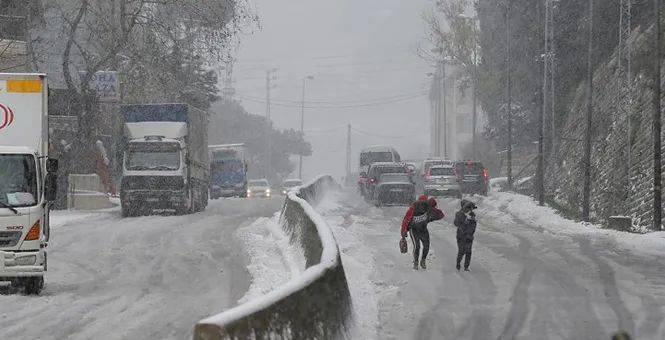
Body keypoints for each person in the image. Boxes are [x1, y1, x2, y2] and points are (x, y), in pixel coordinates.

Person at [401, 195, 445, 270]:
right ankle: (416, 262)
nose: (422, 205)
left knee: (426, 245)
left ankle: (423, 260)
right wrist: (403, 231)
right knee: (417, 246)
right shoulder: (413, 208)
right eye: (421, 203)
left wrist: (433, 208)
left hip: (423, 229)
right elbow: (406, 219)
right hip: (414, 229)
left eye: (424, 203)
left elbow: (441, 215)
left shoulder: (428, 208)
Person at [454, 199, 477, 271]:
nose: (468, 209)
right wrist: (464, 221)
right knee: (461, 251)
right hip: (461, 236)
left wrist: (471, 221)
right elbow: (456, 223)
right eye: (467, 207)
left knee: (468, 252)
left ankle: (466, 267)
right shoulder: (459, 214)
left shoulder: (471, 214)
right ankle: (458, 263)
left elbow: (473, 225)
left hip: (469, 236)